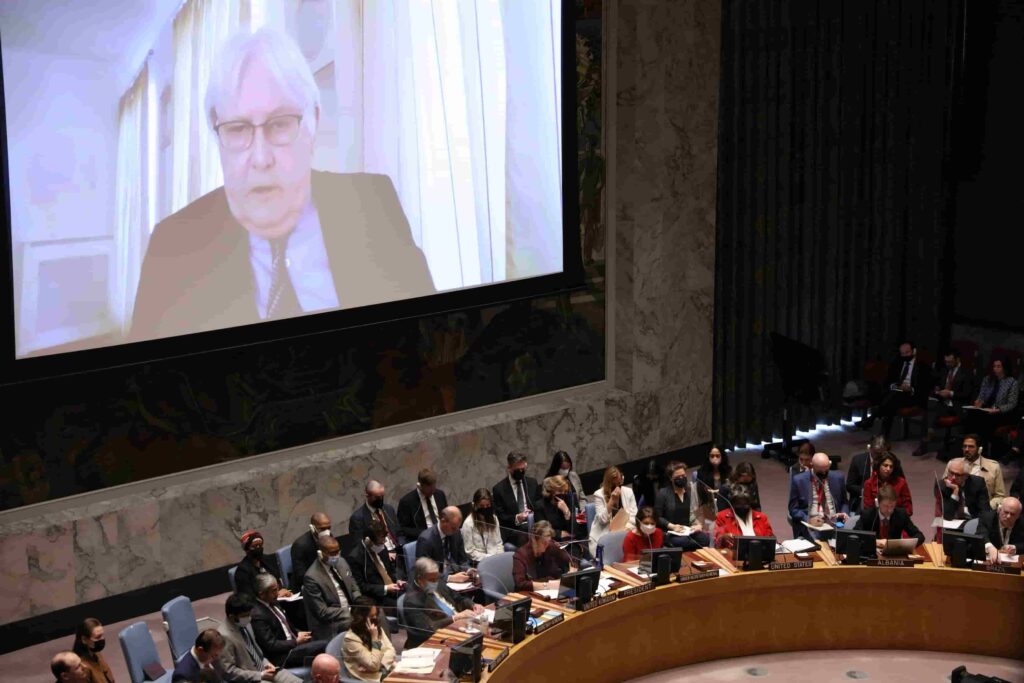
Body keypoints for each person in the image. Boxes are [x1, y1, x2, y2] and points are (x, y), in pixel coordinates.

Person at [130, 28, 434, 342]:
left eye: (279, 124)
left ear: (313, 123)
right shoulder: (172, 248)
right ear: (217, 136)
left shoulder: (371, 203)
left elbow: (431, 343)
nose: (261, 158)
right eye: (237, 129)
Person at [217, 593, 302, 683]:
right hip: (249, 679)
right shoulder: (223, 636)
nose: (249, 618)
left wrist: (266, 663)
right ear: (232, 617)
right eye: (245, 615)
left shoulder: (245, 623)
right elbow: (228, 672)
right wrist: (260, 675)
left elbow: (256, 651)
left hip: (265, 669)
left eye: (249, 614)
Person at [404, 557, 484, 649]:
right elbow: (428, 629)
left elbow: (458, 598)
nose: (436, 582)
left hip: (459, 627)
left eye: (437, 578)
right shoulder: (411, 601)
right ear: (420, 579)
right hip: (434, 641)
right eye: (432, 580)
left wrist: (473, 605)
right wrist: (455, 618)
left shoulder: (437, 581)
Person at [856, 341, 931, 438]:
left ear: (914, 351)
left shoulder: (923, 367)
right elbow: (888, 381)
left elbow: (925, 387)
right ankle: (883, 435)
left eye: (907, 353)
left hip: (913, 395)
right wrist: (895, 386)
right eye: (902, 353)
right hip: (896, 394)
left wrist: (910, 388)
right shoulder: (897, 363)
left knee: (890, 399)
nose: (904, 355)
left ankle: (872, 420)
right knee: (891, 400)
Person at [251, 574, 327, 669]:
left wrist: (297, 633)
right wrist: (296, 641)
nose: (277, 593)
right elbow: (271, 645)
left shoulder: (273, 602)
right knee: (324, 645)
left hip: (292, 643)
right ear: (262, 594)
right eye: (274, 590)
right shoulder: (257, 615)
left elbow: (286, 626)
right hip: (283, 656)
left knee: (321, 634)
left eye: (277, 589)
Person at [302, 536, 362, 640]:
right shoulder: (312, 577)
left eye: (337, 551)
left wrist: (360, 603)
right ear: (321, 554)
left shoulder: (342, 562)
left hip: (352, 611)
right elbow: (322, 612)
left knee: (377, 613)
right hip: (332, 622)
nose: (336, 556)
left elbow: (353, 587)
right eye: (332, 553)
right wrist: (349, 611)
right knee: (357, 622)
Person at [788, 452, 850, 540]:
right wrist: (808, 519)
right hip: (812, 525)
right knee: (816, 543)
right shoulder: (799, 480)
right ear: (812, 465)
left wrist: (844, 513)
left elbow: (844, 502)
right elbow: (793, 509)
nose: (824, 473)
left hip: (834, 523)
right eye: (820, 472)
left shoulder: (838, 477)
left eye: (826, 470)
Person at [348, 518, 405, 611]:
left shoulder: (381, 545)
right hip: (378, 598)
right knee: (403, 607)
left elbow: (391, 570)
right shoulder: (355, 558)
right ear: (368, 540)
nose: (384, 543)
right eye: (381, 541)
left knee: (414, 598)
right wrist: (386, 588)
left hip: (394, 588)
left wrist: (397, 580)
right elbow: (362, 587)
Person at [963, 356, 1020, 448]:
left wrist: (999, 409)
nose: (995, 369)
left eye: (998, 366)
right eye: (994, 366)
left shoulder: (1012, 382)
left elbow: (1012, 403)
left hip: (1002, 413)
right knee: (970, 416)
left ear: (1005, 368)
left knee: (986, 420)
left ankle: (983, 447)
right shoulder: (987, 379)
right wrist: (979, 402)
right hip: (986, 410)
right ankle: (970, 444)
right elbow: (981, 396)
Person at [654, 461, 710, 551]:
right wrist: (672, 526)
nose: (681, 478)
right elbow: (657, 517)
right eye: (678, 477)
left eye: (683, 475)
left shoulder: (690, 491)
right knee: (683, 542)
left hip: (688, 530)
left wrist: (698, 525)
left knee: (705, 539)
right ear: (671, 478)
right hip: (672, 531)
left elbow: (697, 512)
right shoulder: (663, 493)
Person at [942, 435, 1007, 509]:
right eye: (964, 446)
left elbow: (1000, 496)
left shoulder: (993, 467)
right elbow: (942, 489)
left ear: (979, 449)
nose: (967, 449)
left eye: (971, 447)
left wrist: (985, 508)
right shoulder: (953, 464)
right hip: (957, 508)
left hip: (982, 510)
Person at [845, 436, 905, 514]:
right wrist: (867, 491)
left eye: (882, 453)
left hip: (889, 502)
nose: (879, 457)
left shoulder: (893, 462)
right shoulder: (857, 460)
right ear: (870, 449)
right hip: (862, 500)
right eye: (876, 453)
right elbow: (849, 485)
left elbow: (901, 484)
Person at [532, 475, 588, 558]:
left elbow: (579, 529)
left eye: (565, 491)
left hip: (571, 542)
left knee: (579, 551)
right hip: (553, 542)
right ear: (551, 491)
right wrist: (559, 533)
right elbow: (542, 530)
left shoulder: (570, 501)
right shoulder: (540, 506)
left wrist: (567, 513)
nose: (563, 494)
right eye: (560, 491)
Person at [341, 597, 396, 681]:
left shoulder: (376, 628)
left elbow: (391, 650)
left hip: (385, 671)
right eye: (371, 616)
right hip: (371, 679)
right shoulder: (351, 639)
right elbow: (373, 665)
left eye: (375, 615)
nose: (375, 618)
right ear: (360, 617)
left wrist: (381, 665)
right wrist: (374, 639)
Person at [492, 452, 540, 546]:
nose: (521, 472)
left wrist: (532, 514)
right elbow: (501, 516)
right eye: (517, 470)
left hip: (533, 525)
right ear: (509, 468)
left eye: (523, 469)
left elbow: (539, 505)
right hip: (514, 529)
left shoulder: (532, 483)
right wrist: (517, 518)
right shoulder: (499, 489)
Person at [854, 485, 925, 548]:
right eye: (886, 506)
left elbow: (919, 535)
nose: (889, 510)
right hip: (872, 552)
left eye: (892, 506)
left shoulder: (901, 514)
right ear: (878, 503)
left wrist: (904, 544)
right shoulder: (868, 514)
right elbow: (854, 535)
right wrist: (875, 542)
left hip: (894, 554)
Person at [415, 506, 474, 582]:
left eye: (458, 527)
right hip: (437, 581)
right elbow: (424, 571)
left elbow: (462, 560)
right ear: (443, 521)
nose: (456, 530)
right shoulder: (426, 539)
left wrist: (468, 570)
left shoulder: (456, 533)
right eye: (453, 528)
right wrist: (449, 578)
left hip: (457, 575)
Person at [589, 466, 638, 556]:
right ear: (607, 483)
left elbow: (634, 516)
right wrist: (611, 501)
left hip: (626, 530)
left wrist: (625, 528)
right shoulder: (599, 495)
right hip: (605, 533)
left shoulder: (628, 492)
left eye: (619, 484)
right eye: (613, 485)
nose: (617, 488)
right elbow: (602, 520)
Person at [511, 521, 573, 591]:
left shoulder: (550, 545)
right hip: (529, 593)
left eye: (548, 541)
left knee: (572, 593)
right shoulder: (520, 555)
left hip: (551, 591)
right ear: (534, 541)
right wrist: (547, 585)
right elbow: (520, 584)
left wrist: (571, 571)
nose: (547, 544)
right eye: (544, 542)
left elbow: (570, 559)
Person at [713, 485, 775, 549]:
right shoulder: (722, 517)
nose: (742, 507)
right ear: (732, 503)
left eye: (745, 504)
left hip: (759, 552)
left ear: (750, 503)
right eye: (738, 504)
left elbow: (770, 540)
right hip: (732, 553)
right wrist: (723, 537)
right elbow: (717, 541)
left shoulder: (762, 517)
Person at [234, 530, 291, 600]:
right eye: (254, 546)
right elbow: (248, 598)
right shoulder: (242, 572)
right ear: (247, 549)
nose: (258, 548)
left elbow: (278, 580)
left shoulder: (267, 560)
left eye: (260, 545)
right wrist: (274, 596)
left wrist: (283, 591)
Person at [349, 481, 402, 555]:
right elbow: (359, 546)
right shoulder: (358, 518)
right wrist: (385, 554)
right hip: (380, 554)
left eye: (382, 496)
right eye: (377, 497)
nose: (381, 499)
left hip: (398, 550)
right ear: (367, 496)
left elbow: (399, 532)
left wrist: (402, 545)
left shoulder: (389, 509)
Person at [397, 468, 449, 542]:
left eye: (434, 488)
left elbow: (446, 515)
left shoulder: (439, 494)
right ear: (420, 486)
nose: (432, 492)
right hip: (424, 540)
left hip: (443, 535)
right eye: (430, 490)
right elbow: (403, 529)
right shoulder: (407, 502)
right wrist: (424, 533)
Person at [939, 458, 990, 523]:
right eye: (951, 473)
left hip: (973, 520)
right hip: (953, 522)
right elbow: (947, 516)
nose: (953, 477)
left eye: (958, 475)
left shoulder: (978, 483)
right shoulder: (942, 485)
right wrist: (955, 491)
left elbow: (985, 511)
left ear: (966, 476)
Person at [290, 513, 332, 591]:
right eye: (322, 529)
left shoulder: (330, 537)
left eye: (328, 528)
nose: (327, 532)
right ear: (312, 528)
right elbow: (301, 576)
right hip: (307, 586)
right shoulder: (300, 546)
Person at [461, 488, 504, 562]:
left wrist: (500, 557)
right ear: (475, 506)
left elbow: (499, 543)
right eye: (481, 506)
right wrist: (489, 558)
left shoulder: (494, 518)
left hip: (496, 558)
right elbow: (470, 551)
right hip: (479, 561)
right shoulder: (468, 524)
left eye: (487, 505)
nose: (485, 508)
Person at [978, 497, 1023, 562]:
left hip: (1012, 562)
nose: (1008, 516)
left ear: (1018, 516)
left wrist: (1015, 547)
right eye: (1006, 512)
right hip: (990, 561)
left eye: (1012, 514)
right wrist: (989, 547)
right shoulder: (987, 518)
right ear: (999, 510)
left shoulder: (1022, 522)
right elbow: (980, 535)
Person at [70, 618, 113, 683]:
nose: (102, 639)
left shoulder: (96, 653)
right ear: (84, 639)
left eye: (102, 635)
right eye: (98, 637)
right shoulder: (82, 668)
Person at [696, 446, 732, 520]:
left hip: (724, 502)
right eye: (712, 456)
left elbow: (730, 487)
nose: (715, 458)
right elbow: (701, 490)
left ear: (722, 457)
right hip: (708, 503)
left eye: (717, 456)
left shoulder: (728, 470)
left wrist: (719, 491)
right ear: (708, 457)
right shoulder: (702, 472)